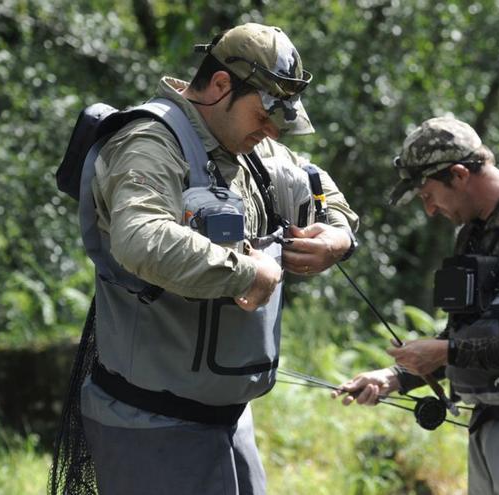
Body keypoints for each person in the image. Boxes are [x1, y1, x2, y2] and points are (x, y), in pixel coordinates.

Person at [79, 23, 358, 495]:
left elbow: (321, 191)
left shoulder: (256, 150)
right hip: (150, 428)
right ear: (222, 85)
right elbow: (141, 238)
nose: (273, 129)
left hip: (230, 425)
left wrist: (337, 238)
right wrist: (248, 272)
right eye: (265, 113)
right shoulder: (148, 143)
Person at [333, 116, 499, 494]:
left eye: (428, 195)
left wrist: (447, 351)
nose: (429, 210)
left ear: (459, 175)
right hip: (490, 428)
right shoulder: (471, 234)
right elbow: (463, 335)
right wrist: (396, 377)